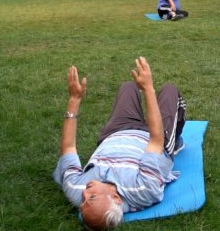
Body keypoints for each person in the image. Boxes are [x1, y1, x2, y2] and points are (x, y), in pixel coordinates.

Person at [54, 58, 187, 230]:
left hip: (115, 134)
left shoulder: (75, 189)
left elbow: (68, 148)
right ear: (116, 198)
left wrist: (74, 99)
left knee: (128, 87)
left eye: (83, 202)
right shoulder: (143, 190)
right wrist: (148, 88)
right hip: (152, 139)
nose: (85, 192)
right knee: (170, 90)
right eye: (92, 197)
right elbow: (155, 140)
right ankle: (175, 141)